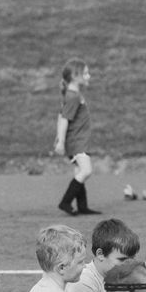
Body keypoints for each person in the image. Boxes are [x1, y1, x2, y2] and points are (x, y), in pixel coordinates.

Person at [67, 218, 141, 292]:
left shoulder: (117, 277)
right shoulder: (85, 281)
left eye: (131, 259)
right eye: (122, 260)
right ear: (100, 254)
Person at [54, 57, 100, 216]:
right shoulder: (73, 96)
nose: (88, 76)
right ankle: (65, 202)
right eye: (86, 73)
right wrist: (60, 141)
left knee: (79, 171)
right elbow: (64, 119)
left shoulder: (73, 94)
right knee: (86, 171)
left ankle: (82, 206)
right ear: (75, 76)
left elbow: (61, 115)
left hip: (79, 141)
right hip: (76, 142)